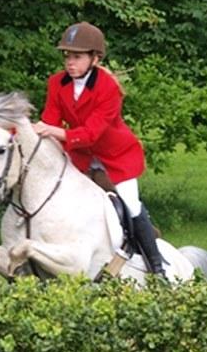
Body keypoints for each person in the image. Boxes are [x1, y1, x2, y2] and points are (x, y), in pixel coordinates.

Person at [33, 21, 167, 277]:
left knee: (131, 204)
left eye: (77, 57)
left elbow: (92, 133)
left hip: (116, 158)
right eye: (67, 56)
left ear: (95, 58)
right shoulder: (56, 83)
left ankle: (156, 265)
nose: (70, 62)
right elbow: (49, 120)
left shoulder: (108, 86)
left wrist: (54, 132)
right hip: (80, 158)